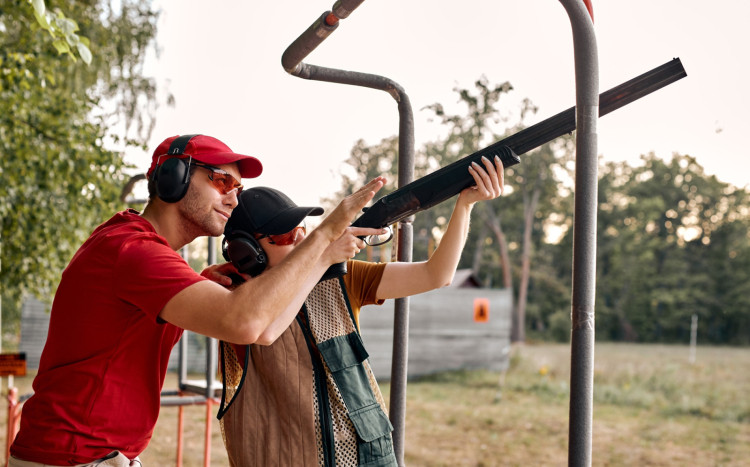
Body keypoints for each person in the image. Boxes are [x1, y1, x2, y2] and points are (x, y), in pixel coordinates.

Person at [9, 134, 386, 467]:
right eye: (222, 180)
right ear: (176, 177)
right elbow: (245, 322)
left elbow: (265, 330)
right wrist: (323, 238)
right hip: (73, 457)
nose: (234, 197)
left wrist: (319, 258)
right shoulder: (133, 249)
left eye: (237, 187)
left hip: (91, 455)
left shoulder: (141, 250)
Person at [216, 155, 504, 467]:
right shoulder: (230, 296)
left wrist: (465, 205)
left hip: (365, 455)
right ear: (248, 253)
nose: (302, 239)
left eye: (302, 230)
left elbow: (437, 274)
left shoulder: (342, 276)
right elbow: (264, 328)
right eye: (286, 236)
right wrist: (323, 258)